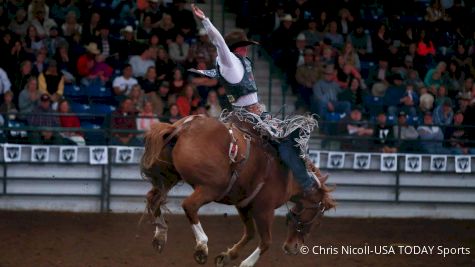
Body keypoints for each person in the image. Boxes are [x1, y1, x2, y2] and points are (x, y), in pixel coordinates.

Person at [192, 5, 321, 198]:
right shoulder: (229, 61)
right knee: (287, 141)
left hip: (257, 113)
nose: (245, 49)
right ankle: (304, 183)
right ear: (235, 48)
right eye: (242, 46)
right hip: (249, 115)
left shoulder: (241, 63)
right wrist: (206, 20)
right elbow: (218, 41)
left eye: (246, 46)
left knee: (293, 136)